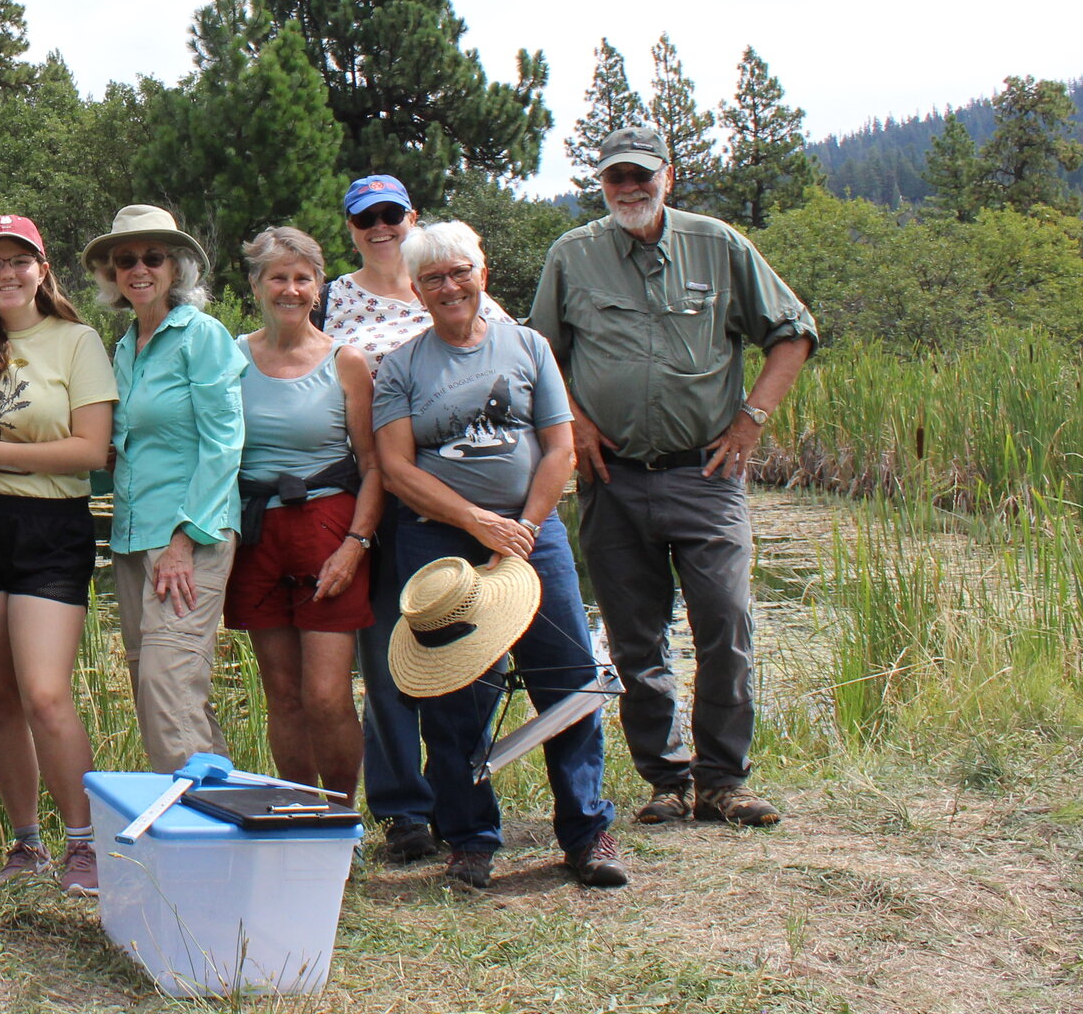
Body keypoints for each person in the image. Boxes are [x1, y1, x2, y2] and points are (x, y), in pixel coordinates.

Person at [529, 124, 817, 829]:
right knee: (634, 637)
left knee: (725, 620)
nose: (629, 188)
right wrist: (578, 425)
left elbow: (793, 330)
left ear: (669, 175)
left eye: (640, 175)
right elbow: (540, 353)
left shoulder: (717, 244)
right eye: (614, 178)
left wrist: (751, 417)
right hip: (611, 477)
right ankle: (666, 779)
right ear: (601, 185)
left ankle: (724, 778)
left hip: (705, 473)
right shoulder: (573, 254)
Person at [372, 220, 625, 891]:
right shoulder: (400, 366)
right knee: (453, 691)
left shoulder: (529, 347)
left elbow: (559, 448)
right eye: (433, 278)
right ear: (418, 290)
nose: (449, 286)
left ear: (482, 272)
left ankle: (586, 830)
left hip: (531, 536)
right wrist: (477, 521)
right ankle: (470, 837)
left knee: (569, 679)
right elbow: (397, 468)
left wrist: (525, 527)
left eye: (459, 271)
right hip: (440, 542)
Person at [323, 174, 507, 867]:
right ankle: (404, 807)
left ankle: (462, 792)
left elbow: (512, 358)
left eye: (391, 213)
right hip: (375, 496)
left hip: (460, 499)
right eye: (365, 217)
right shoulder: (335, 298)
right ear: (350, 227)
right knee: (389, 658)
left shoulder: (451, 280)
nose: (380, 227)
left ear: (412, 216)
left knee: (465, 651)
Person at [0, 213, 117, 896]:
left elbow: (92, 450)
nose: (7, 274)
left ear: (43, 268)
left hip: (50, 528)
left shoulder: (76, 341)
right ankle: (25, 843)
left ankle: (84, 842)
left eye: (20, 261)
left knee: (45, 691)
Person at [229, 226, 381, 804]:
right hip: (257, 533)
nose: (289, 289)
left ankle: (342, 813)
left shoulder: (347, 363)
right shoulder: (231, 357)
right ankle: (298, 810)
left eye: (302, 278)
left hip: (327, 529)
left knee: (325, 694)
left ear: (319, 288)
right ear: (256, 285)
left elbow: (372, 465)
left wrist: (356, 544)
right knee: (284, 694)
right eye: (277, 277)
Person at [90, 205, 243, 773]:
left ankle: (195, 841)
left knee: (167, 683)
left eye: (152, 257)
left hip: (189, 535)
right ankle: (229, 822)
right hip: (131, 537)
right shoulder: (127, 346)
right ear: (111, 275)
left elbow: (224, 442)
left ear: (175, 269)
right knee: (159, 689)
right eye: (125, 259)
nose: (138, 268)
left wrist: (185, 539)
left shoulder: (202, 335)